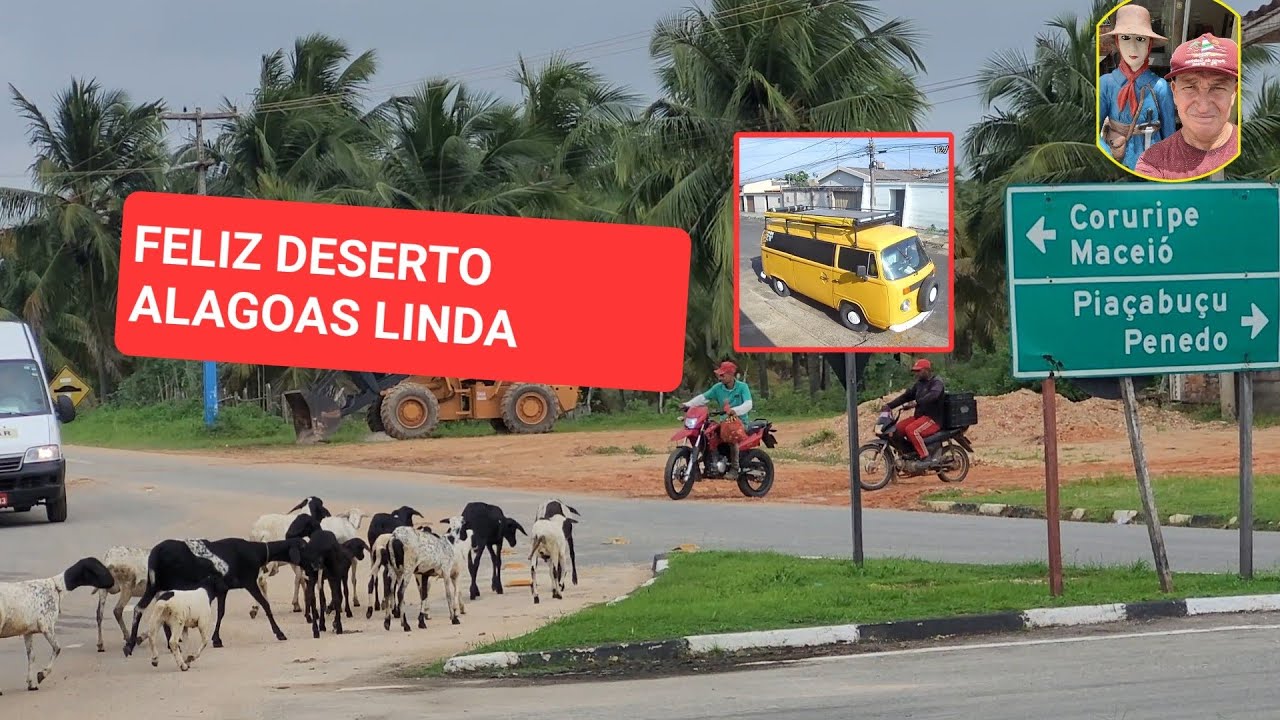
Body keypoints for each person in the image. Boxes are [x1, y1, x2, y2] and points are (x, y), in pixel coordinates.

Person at [1134, 33, 1240, 180]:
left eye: (1218, 88)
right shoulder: (1153, 163)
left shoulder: (1259, 150)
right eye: (1190, 87)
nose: (1203, 107)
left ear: (1234, 93)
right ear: (1174, 92)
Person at [1097, 4, 1177, 170]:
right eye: (1126, 38)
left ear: (1149, 44)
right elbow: (1093, 132)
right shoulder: (1106, 84)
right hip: (1117, 163)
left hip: (1152, 166)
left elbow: (1170, 136)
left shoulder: (1160, 87)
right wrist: (1108, 155)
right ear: (1117, 41)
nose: (1133, 47)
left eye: (1140, 39)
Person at [678, 360, 753, 477]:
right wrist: (688, 404)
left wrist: (735, 411)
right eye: (719, 375)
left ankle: (735, 468)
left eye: (722, 375)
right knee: (707, 433)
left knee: (732, 433)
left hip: (739, 421)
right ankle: (709, 462)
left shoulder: (743, 387)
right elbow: (703, 398)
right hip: (724, 421)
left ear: (731, 374)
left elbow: (749, 404)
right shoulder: (717, 388)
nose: (720, 377)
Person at [881, 358, 945, 462]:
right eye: (916, 371)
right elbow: (906, 397)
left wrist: (916, 402)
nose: (917, 374)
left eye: (919, 371)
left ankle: (925, 457)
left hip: (932, 419)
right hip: (919, 418)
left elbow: (934, 395)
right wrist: (889, 406)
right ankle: (908, 453)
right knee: (896, 429)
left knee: (912, 430)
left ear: (926, 370)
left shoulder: (936, 382)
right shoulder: (919, 384)